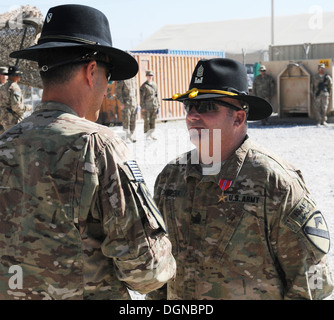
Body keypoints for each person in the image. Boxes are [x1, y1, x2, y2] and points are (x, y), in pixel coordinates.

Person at [0, 4, 175, 300]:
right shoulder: (99, 145)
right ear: (92, 71)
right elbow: (145, 271)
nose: (107, 88)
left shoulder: (5, 142)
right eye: (108, 76)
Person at [147, 58, 333, 300]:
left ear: (238, 118)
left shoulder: (275, 182)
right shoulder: (171, 177)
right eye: (189, 106)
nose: (192, 116)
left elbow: (310, 284)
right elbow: (160, 271)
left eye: (207, 106)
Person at [0, 65, 25, 134]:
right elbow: (16, 107)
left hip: (4, 122)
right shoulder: (14, 88)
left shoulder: (3, 87)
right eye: (19, 75)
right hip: (13, 123)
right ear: (16, 76)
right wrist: (27, 107)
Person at [115, 77, 138, 143]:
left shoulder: (134, 80)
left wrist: (137, 103)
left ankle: (131, 135)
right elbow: (118, 92)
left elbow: (135, 93)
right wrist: (122, 102)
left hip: (133, 104)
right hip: (126, 104)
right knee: (126, 120)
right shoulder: (123, 80)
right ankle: (127, 136)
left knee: (133, 121)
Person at [140, 70, 160, 140]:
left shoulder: (154, 84)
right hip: (147, 106)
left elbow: (157, 95)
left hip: (154, 105)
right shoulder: (144, 86)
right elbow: (142, 98)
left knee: (153, 120)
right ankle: (147, 135)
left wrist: (158, 105)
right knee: (147, 120)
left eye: (151, 76)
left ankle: (152, 134)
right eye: (149, 76)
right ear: (146, 76)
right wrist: (142, 107)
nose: (150, 77)